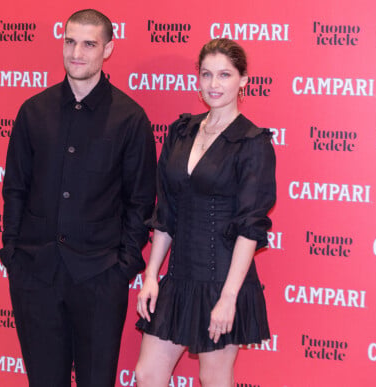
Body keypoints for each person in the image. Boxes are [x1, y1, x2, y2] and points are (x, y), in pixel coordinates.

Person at [0, 9, 157, 387]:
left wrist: (122, 268)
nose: (77, 53)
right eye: (70, 41)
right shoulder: (33, 112)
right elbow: (14, 188)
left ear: (108, 49)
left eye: (89, 43)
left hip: (101, 278)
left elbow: (140, 201)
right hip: (36, 274)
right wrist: (15, 255)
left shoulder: (130, 118)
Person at [135, 38, 276, 386]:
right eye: (207, 74)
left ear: (243, 81)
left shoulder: (252, 142)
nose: (214, 85)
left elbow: (250, 228)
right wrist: (152, 273)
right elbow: (167, 211)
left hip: (224, 280)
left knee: (213, 378)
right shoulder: (181, 132)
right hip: (180, 276)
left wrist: (228, 299)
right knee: (147, 373)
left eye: (225, 75)